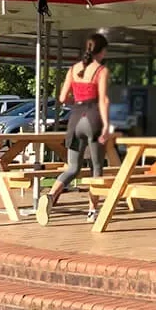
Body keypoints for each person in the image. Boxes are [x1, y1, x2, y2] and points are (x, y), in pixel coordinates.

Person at [36, 33, 111, 225]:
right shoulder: (101, 70)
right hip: (93, 118)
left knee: (73, 167)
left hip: (75, 119)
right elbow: (103, 100)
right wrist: (106, 126)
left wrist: (77, 101)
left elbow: (62, 98)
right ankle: (92, 211)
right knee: (96, 167)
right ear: (101, 51)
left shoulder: (73, 69)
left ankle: (51, 196)